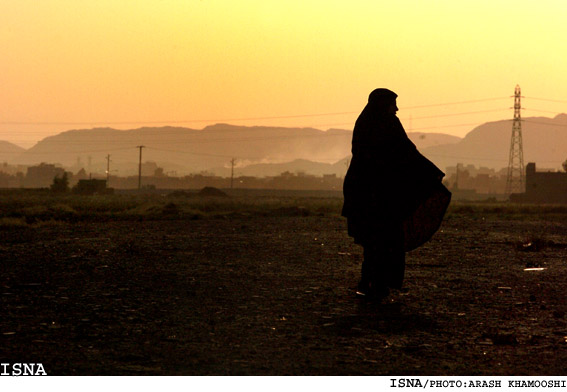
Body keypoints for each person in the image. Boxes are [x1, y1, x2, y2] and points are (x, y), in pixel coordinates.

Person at [342, 88, 446, 300]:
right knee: (385, 240)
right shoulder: (388, 124)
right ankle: (378, 284)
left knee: (372, 241)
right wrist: (431, 174)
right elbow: (406, 152)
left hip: (364, 191)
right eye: (393, 104)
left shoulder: (364, 123)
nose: (396, 109)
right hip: (382, 195)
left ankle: (369, 282)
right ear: (384, 105)